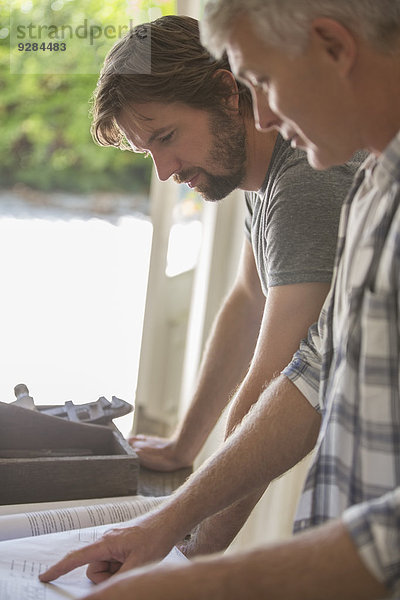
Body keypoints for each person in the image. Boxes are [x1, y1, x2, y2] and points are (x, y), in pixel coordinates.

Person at [38, 2, 400, 597]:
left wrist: (194, 562)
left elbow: (272, 379)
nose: (265, 114)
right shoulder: (353, 183)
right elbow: (280, 342)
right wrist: (178, 489)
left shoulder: (314, 176)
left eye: (262, 82)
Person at [118, 16, 356, 476]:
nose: (165, 171)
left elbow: (274, 374)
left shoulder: (305, 180)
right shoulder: (261, 179)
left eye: (167, 137)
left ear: (227, 93)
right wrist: (183, 448)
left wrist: (186, 541)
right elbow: (249, 302)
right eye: (148, 152)